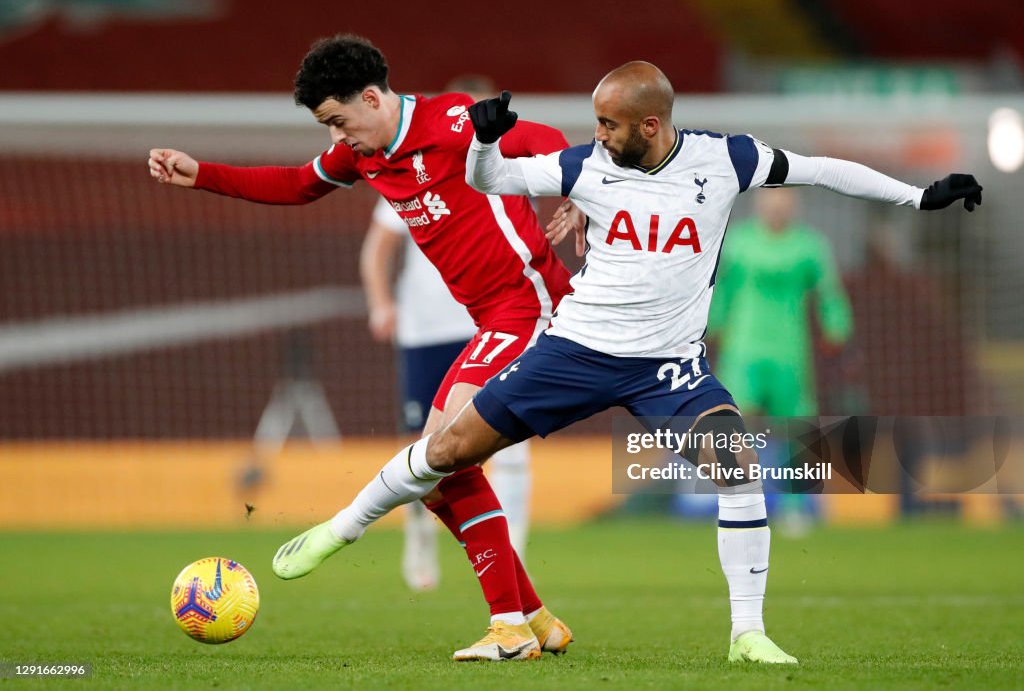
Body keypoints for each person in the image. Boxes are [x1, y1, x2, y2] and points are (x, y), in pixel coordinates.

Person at [268, 61, 983, 665]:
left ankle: (749, 634)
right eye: (596, 123)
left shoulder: (725, 160)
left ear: (651, 125)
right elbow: (495, 181)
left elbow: (822, 170)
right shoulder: (585, 165)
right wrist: (485, 143)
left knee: (736, 468)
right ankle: (344, 528)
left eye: (610, 124)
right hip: (574, 352)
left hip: (667, 367)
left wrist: (918, 196)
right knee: (448, 447)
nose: (598, 136)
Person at [148, 34, 574, 662]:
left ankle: (509, 629)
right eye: (325, 125)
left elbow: (548, 142)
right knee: (435, 478)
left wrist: (583, 204)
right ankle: (534, 618)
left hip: (530, 307)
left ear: (372, 98)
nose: (335, 138)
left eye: (338, 121)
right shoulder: (364, 155)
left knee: (439, 459)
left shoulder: (453, 120)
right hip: (490, 319)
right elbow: (296, 185)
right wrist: (202, 175)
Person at [361, 77, 534, 588]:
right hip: (423, 329)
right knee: (425, 448)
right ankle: (419, 537)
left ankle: (514, 550)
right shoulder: (408, 169)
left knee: (507, 441)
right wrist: (380, 303)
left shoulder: (508, 171)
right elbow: (377, 248)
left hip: (494, 322)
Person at [707, 189, 852, 534]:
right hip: (743, 349)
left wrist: (837, 325)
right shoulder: (739, 243)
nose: (776, 207)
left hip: (789, 351)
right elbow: (721, 288)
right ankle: (734, 502)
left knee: (796, 429)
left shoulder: (809, 246)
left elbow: (829, 291)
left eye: (783, 201)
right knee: (730, 424)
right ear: (759, 204)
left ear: (793, 205)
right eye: (770, 201)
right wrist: (711, 323)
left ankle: (795, 507)